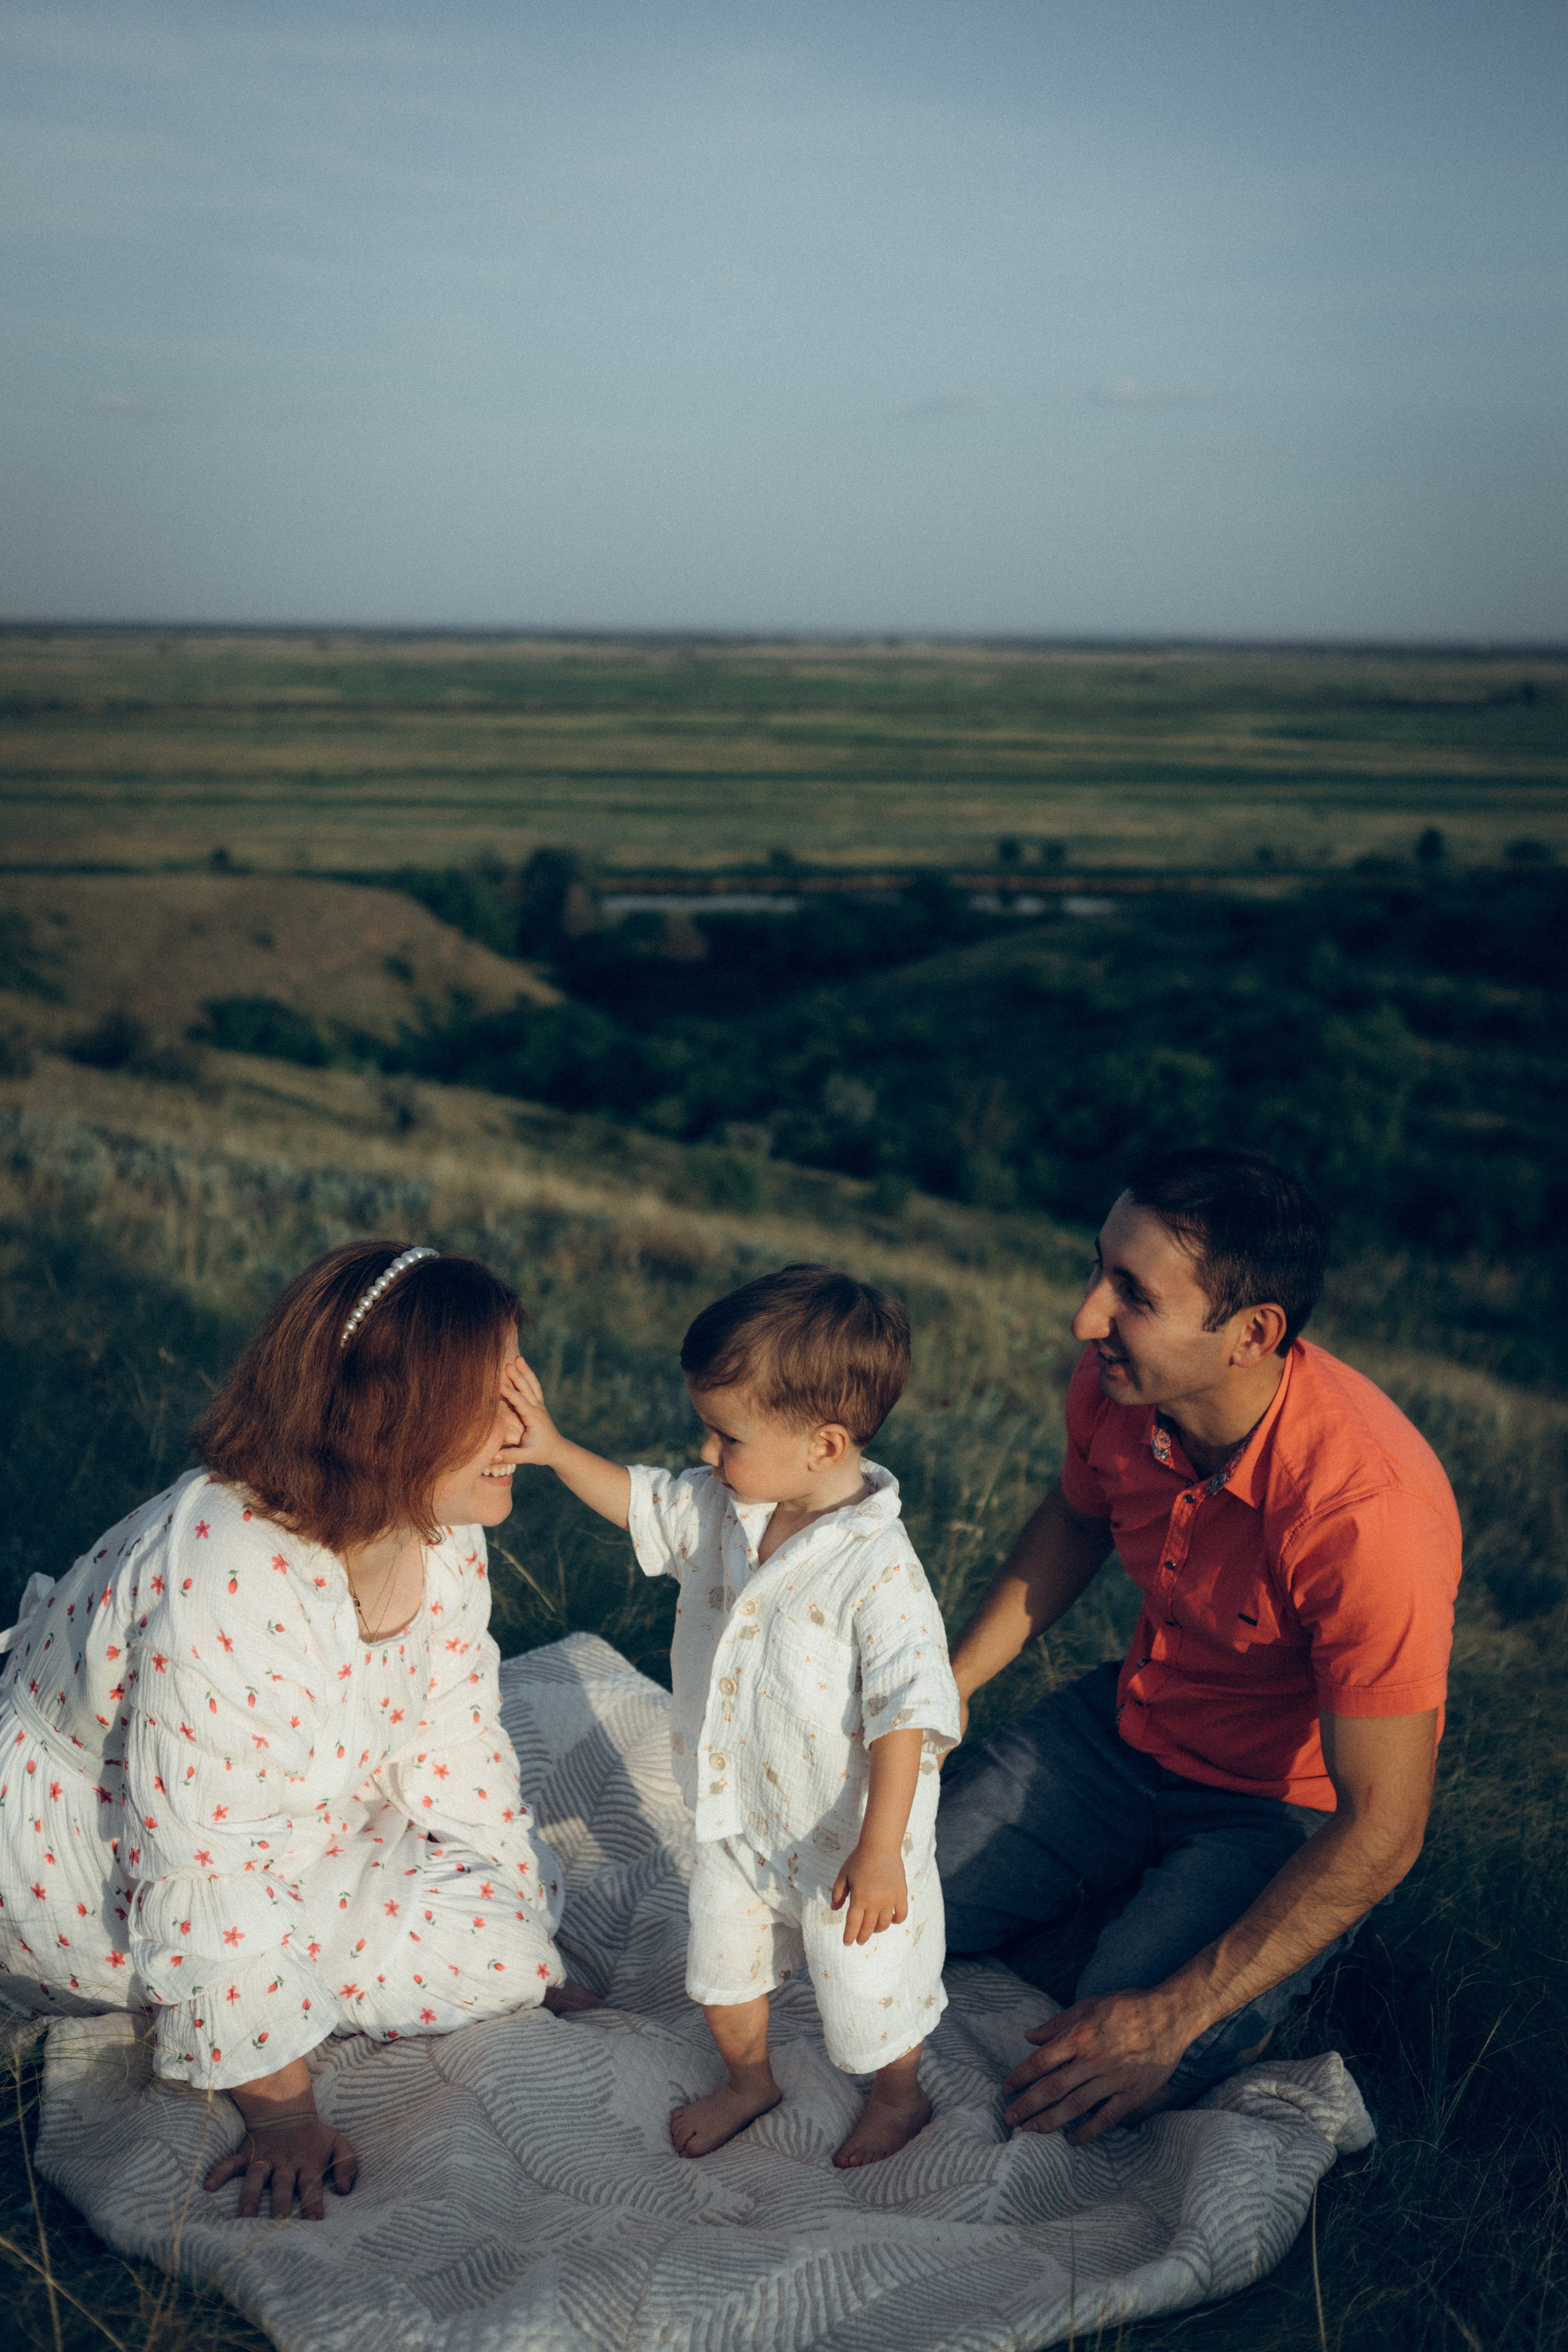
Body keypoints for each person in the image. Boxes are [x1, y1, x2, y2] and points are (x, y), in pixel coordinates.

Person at [0, 1240, 590, 2224]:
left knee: (507, 1951)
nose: (525, 1429)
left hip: (287, 1813)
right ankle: (208, 2000)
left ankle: (254, 1977)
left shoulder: (443, 1538)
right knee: (236, 1931)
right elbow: (201, 1856)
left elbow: (457, 1737)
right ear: (383, 1415)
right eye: (487, 1400)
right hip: (95, 1849)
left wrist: (531, 1921)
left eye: (518, 1388)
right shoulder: (234, 1565)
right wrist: (280, 2113)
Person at [938, 1147, 1461, 2145]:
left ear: (1251, 1334)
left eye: (1131, 1294)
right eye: (1098, 1269)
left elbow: (1386, 1829)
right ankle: (1119, 1897)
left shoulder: (1367, 1517)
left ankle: (1269, 1975)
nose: (1086, 1316)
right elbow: (1078, 1518)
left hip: (1274, 1812)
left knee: (1090, 2066)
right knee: (870, 1921)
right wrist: (955, 1684)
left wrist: (1172, 2018)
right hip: (1124, 1728)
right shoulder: (1118, 1387)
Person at [503, 1263, 961, 2168]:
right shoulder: (728, 1506)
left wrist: (881, 1851)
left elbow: (906, 1714)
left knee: (871, 1988)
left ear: (825, 1447)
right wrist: (555, 1448)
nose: (707, 1456)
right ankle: (750, 2079)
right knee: (719, 1972)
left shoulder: (878, 1569)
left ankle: (899, 2094)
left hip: (845, 1842)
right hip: (739, 1819)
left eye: (726, 1436)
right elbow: (643, 1501)